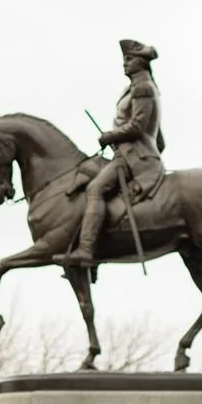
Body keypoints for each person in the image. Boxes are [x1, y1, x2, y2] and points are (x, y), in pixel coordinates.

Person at [56, 38, 165, 267]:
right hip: (129, 153)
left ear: (141, 63)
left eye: (129, 60)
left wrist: (110, 136)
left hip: (135, 157)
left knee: (95, 189)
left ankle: (86, 251)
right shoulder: (136, 88)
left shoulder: (143, 87)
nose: (124, 64)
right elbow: (160, 139)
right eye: (124, 60)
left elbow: (137, 127)